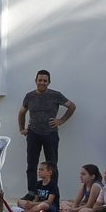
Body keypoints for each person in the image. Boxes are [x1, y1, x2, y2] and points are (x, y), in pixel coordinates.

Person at [18, 70, 76, 198]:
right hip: (33, 134)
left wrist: (61, 120)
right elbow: (22, 112)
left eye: (45, 81)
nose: (42, 83)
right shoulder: (29, 96)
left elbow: (71, 106)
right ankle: (32, 192)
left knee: (52, 165)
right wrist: (22, 128)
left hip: (50, 134)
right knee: (31, 164)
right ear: (36, 81)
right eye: (40, 80)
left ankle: (52, 193)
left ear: (49, 82)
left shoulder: (56, 95)